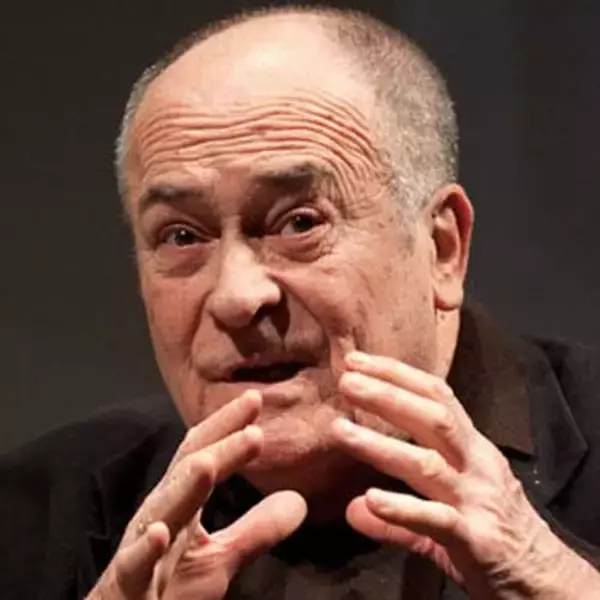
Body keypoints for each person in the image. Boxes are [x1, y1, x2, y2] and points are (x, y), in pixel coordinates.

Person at [1, 5, 599, 599]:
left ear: (442, 248)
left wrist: (553, 581)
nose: (238, 297)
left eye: (299, 223)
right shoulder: (36, 519)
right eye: (181, 236)